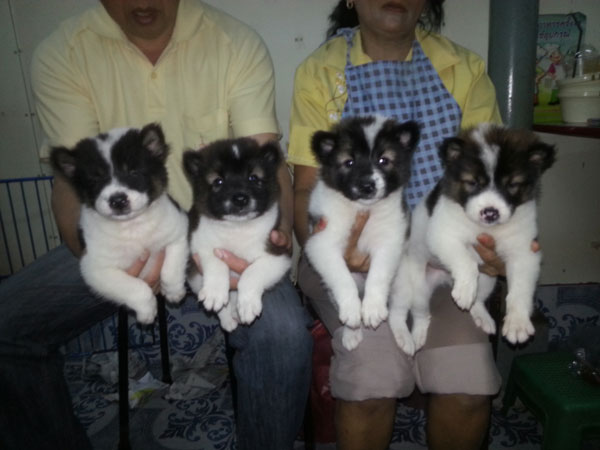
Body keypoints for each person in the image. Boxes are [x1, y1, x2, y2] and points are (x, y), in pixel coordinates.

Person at [0, 1, 312, 449]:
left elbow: (266, 162)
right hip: (119, 234)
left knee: (283, 335)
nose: (143, 2)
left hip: (225, 230)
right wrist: (97, 257)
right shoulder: (63, 52)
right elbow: (70, 184)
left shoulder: (235, 42)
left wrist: (275, 234)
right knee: (8, 324)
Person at [288, 1, 524, 449]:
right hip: (350, 258)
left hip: (439, 257)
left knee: (466, 386)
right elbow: (304, 190)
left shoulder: (463, 69)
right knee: (372, 382)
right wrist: (335, 250)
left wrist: (496, 248)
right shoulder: (320, 72)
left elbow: (487, 183)